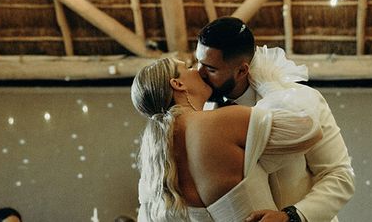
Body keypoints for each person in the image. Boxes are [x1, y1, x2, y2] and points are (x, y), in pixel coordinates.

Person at [195, 17, 355, 222]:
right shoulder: (204, 114)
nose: (199, 74)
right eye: (199, 62)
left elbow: (340, 175)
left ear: (242, 70)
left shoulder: (303, 101)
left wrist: (292, 217)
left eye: (210, 69)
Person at [131, 54, 323, 221]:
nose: (198, 70)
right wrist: (267, 84)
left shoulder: (153, 165)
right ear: (178, 84)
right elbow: (309, 128)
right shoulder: (222, 121)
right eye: (188, 67)